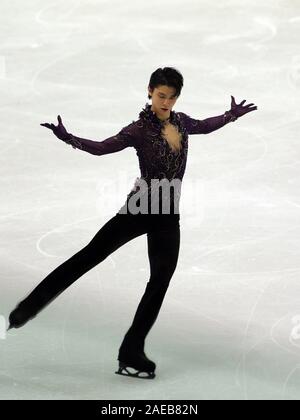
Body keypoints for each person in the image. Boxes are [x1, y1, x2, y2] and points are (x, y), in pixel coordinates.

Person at [7, 67, 257, 379]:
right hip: (138, 209)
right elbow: (101, 148)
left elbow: (205, 126)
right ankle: (28, 307)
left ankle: (132, 350)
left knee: (160, 280)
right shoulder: (138, 130)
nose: (166, 102)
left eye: (172, 97)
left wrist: (229, 116)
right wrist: (70, 138)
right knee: (90, 256)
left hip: (167, 215)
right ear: (150, 91)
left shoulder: (182, 122)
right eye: (161, 95)